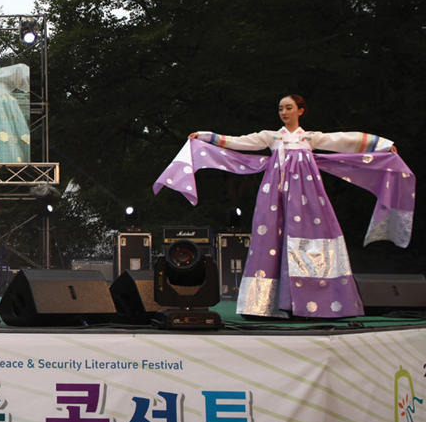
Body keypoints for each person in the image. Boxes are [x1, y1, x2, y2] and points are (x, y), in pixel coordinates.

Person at [154, 94, 415, 319]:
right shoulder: (271, 137)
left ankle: (317, 304)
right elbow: (239, 141)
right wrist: (206, 136)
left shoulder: (310, 138)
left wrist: (382, 144)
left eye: (288, 107)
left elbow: (345, 140)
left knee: (312, 242)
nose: (284, 112)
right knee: (270, 243)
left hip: (307, 199)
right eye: (280, 108)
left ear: (300, 111)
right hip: (274, 199)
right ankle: (265, 304)